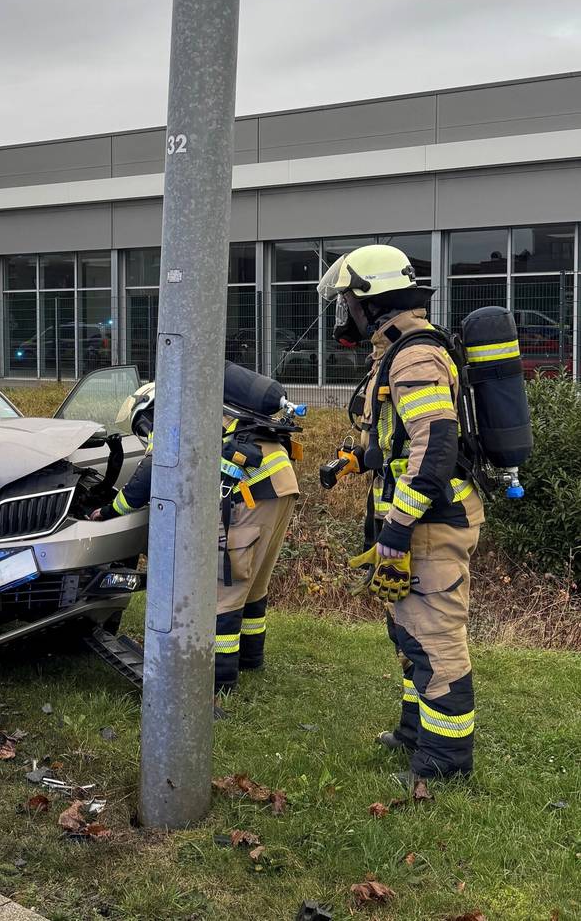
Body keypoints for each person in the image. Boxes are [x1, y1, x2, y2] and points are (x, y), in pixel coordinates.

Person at [317, 244, 483, 789]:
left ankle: (444, 764)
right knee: (410, 633)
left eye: (347, 300)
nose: (344, 312)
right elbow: (398, 441)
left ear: (371, 299)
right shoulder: (398, 351)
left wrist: (397, 527)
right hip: (421, 522)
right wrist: (354, 460)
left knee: (435, 641)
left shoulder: (414, 356)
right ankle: (415, 734)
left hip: (430, 523)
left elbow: (434, 449)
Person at [90, 379, 299, 693]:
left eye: (142, 425)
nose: (145, 432)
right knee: (254, 582)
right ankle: (251, 659)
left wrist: (108, 511)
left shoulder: (171, 419)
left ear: (150, 411)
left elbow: (148, 476)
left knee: (225, 588)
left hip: (251, 495)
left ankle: (220, 681)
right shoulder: (210, 413)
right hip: (281, 487)